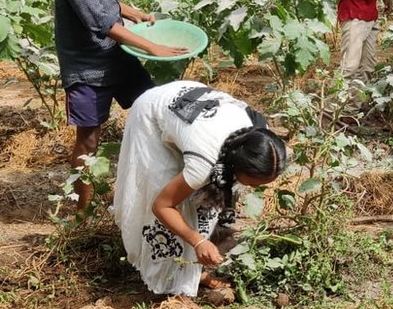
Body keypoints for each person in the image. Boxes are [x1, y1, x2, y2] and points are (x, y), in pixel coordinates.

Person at [54, 0, 186, 213]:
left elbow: (105, 1)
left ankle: (157, 192)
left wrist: (131, 11)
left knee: (155, 110)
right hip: (86, 63)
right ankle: (81, 213)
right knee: (89, 139)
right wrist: (150, 47)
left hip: (116, 52)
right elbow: (95, 18)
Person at [113, 81, 289, 297]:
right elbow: (161, 205)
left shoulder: (260, 139)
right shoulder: (204, 164)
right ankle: (170, 281)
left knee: (198, 199)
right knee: (160, 194)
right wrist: (197, 240)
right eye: (253, 182)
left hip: (189, 111)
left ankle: (193, 267)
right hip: (152, 114)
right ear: (236, 165)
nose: (254, 188)